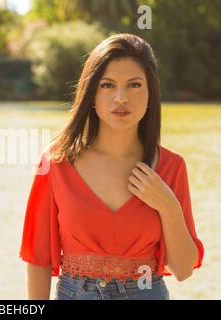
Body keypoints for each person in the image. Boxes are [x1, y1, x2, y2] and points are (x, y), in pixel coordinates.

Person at [19, 33, 204, 300]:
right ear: (91, 94)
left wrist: (167, 206)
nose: (121, 97)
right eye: (107, 85)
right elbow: (39, 259)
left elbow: (183, 269)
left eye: (134, 85)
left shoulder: (170, 166)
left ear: (151, 93)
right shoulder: (56, 163)